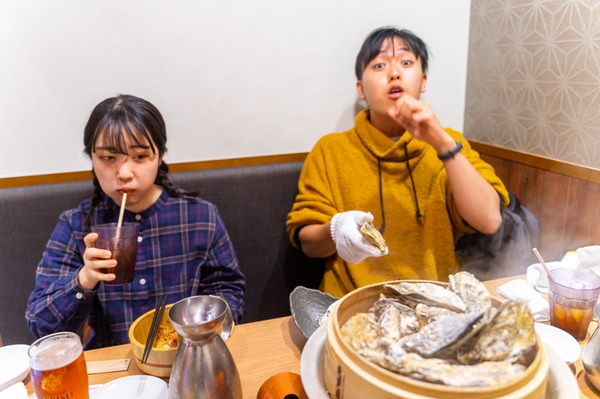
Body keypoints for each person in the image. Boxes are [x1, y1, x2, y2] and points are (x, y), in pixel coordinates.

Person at [286, 27, 509, 297]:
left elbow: (490, 220)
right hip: (350, 303)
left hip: (435, 302)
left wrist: (442, 144)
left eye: (405, 62)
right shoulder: (330, 150)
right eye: (379, 65)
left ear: (423, 82)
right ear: (361, 89)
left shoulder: (449, 142)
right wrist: (336, 230)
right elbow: (308, 245)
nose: (394, 73)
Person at [26, 94, 245, 349]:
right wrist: (85, 278)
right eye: (108, 158)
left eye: (140, 156)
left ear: (159, 157)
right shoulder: (76, 224)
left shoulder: (201, 217)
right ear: (92, 159)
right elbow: (40, 325)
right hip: (113, 361)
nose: (124, 173)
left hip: (186, 356)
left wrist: (204, 329)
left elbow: (228, 289)